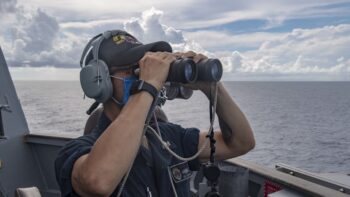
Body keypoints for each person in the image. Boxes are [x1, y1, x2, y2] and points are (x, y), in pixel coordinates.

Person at [55, 30, 255, 197]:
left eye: (145, 67)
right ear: (99, 81)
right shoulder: (76, 152)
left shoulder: (170, 139)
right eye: (134, 69)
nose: (143, 74)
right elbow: (98, 181)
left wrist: (212, 87)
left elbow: (240, 142)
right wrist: (148, 85)